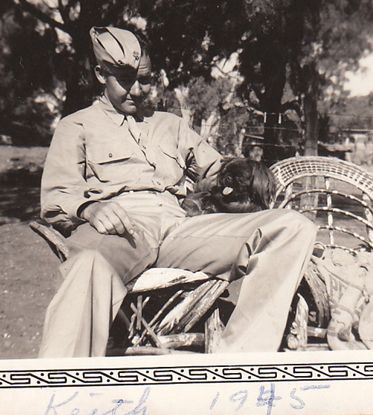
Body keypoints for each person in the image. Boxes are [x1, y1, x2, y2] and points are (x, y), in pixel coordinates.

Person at [39, 26, 317, 357]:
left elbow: (216, 170)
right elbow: (57, 195)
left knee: (291, 227)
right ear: (101, 73)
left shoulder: (169, 124)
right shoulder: (77, 126)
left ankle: (240, 364)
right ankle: (57, 392)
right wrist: (90, 209)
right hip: (119, 229)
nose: (138, 90)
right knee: (88, 266)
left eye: (144, 80)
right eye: (126, 80)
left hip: (179, 227)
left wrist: (242, 176)